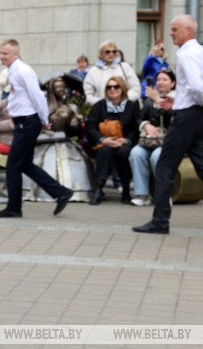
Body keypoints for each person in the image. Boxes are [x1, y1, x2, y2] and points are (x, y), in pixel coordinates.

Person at [134, 15, 203, 234]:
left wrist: (186, 105)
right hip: (195, 114)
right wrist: (179, 100)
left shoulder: (187, 54)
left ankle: (160, 221)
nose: (171, 33)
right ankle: (160, 220)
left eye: (175, 30)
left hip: (187, 118)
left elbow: (197, 87)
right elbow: (192, 89)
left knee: (164, 166)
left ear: (188, 31)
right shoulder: (198, 51)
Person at [0, 39, 74, 218]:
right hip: (23, 122)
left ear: (16, 54)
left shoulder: (23, 71)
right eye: (0, 53)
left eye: (5, 53)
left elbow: (38, 96)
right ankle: (61, 192)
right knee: (25, 164)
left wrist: (45, 119)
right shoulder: (14, 71)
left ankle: (14, 208)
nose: (1, 57)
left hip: (28, 122)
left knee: (13, 165)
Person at [86, 76, 140, 205]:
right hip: (105, 143)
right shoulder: (99, 106)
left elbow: (135, 128)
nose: (113, 89)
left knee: (124, 152)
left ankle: (125, 189)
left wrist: (126, 140)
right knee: (105, 151)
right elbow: (90, 127)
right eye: (109, 87)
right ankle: (98, 189)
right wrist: (103, 140)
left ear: (122, 88)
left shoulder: (131, 106)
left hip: (124, 143)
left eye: (116, 86)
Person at [129, 69, 176, 206]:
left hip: (169, 142)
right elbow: (138, 118)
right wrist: (146, 125)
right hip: (151, 140)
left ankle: (163, 195)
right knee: (136, 153)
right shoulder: (149, 101)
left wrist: (159, 101)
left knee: (157, 156)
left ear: (172, 83)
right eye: (158, 80)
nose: (160, 83)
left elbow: (175, 119)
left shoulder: (178, 99)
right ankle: (142, 195)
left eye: (165, 80)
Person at [83, 41, 141, 106]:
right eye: (107, 52)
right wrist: (103, 103)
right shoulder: (93, 71)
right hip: (102, 110)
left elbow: (135, 88)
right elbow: (87, 94)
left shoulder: (125, 67)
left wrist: (124, 101)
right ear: (101, 54)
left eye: (114, 51)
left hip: (125, 109)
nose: (111, 54)